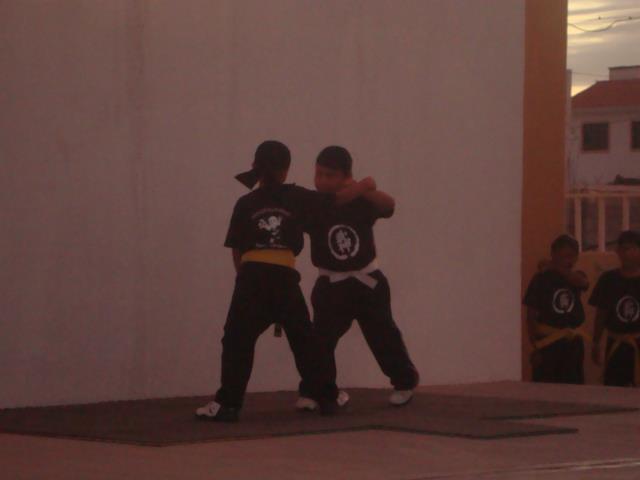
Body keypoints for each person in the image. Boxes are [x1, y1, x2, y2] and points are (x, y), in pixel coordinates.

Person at [196, 140, 376, 421]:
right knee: (305, 342)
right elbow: (338, 199)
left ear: (255, 166)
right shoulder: (297, 197)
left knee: (237, 340)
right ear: (286, 170)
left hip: (251, 276)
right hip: (284, 278)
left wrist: (244, 281)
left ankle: (228, 404)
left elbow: (237, 249)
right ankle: (328, 398)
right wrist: (365, 184)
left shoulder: (245, 203)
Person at [297, 145, 419, 411]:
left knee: (382, 334)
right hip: (331, 284)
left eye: (330, 175)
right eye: (318, 174)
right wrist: (363, 184)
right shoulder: (314, 204)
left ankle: (404, 381)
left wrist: (364, 189)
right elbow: (336, 200)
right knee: (320, 340)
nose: (322, 180)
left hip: (367, 282)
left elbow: (389, 205)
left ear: (345, 177)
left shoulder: (361, 201)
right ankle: (315, 390)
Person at [523, 234, 589, 384]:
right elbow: (531, 316)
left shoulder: (576, 276)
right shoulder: (541, 279)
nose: (569, 261)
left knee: (573, 386)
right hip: (548, 342)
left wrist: (555, 267)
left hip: (572, 342)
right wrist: (535, 346)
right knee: (547, 385)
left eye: (573, 257)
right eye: (564, 256)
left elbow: (583, 283)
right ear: (553, 255)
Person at [589, 230, 640, 387]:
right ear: (618, 252)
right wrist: (596, 342)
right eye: (623, 249)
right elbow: (601, 314)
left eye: (631, 249)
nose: (627, 253)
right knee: (613, 388)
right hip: (616, 343)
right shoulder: (608, 280)